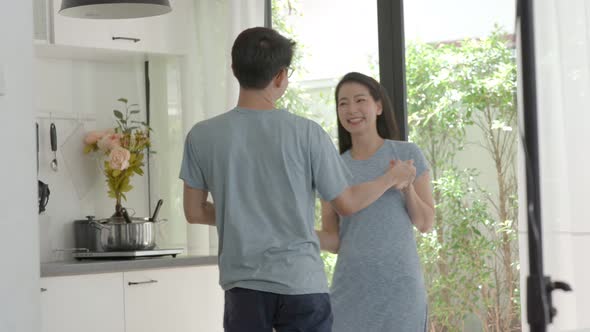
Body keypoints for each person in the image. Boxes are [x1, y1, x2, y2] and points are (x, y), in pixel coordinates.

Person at [179, 28, 410, 332]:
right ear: (280, 76)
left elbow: (194, 212)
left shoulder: (202, 135)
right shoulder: (307, 133)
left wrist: (245, 216)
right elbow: (348, 203)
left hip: (244, 289)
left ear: (234, 70)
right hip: (302, 285)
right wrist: (390, 177)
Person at [317, 72, 435, 332]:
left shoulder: (406, 154)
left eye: (360, 100)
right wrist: (291, 234)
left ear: (378, 106)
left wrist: (406, 189)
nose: (352, 110)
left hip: (401, 289)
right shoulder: (333, 167)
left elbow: (425, 223)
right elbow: (334, 240)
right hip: (351, 290)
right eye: (343, 103)